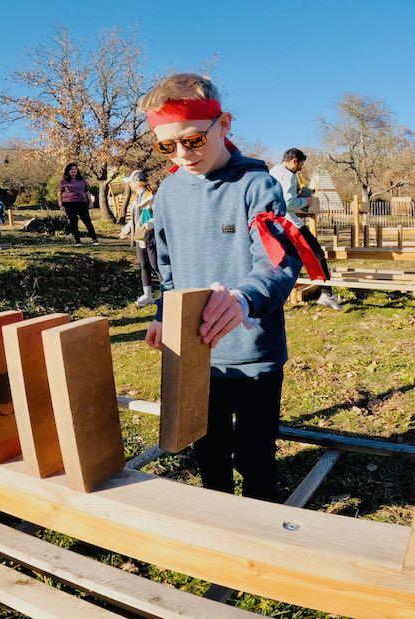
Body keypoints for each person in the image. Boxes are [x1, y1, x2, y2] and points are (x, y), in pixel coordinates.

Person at [141, 74, 326, 501]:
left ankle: (261, 521)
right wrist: (163, 314)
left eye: (193, 140)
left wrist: (243, 300)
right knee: (209, 450)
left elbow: (277, 263)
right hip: (194, 353)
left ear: (223, 124)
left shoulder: (257, 187)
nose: (182, 154)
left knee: (256, 455)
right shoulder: (167, 192)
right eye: (167, 146)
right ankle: (217, 517)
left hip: (253, 355)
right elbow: (167, 267)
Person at [269, 148, 342, 310]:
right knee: (317, 254)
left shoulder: (272, 172)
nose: (301, 168)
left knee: (285, 259)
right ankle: (326, 294)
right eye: (300, 165)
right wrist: (306, 201)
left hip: (274, 223)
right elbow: (288, 202)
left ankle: (276, 295)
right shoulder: (288, 175)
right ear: (294, 161)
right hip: (291, 224)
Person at [125, 170, 156, 306]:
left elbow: (160, 215)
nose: (130, 184)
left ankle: (168, 291)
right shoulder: (136, 198)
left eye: (131, 182)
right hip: (140, 236)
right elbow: (135, 218)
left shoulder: (152, 197)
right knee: (143, 264)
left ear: (138, 182)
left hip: (151, 235)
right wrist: (127, 228)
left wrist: (150, 224)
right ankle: (147, 295)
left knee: (155, 264)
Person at [58, 163, 99, 246]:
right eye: (71, 169)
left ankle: (94, 240)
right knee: (74, 222)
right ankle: (78, 241)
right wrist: (61, 205)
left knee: (87, 221)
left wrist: (90, 202)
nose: (74, 171)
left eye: (75, 169)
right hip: (69, 204)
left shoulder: (82, 180)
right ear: (68, 171)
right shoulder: (63, 182)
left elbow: (87, 192)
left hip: (82, 203)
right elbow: (59, 193)